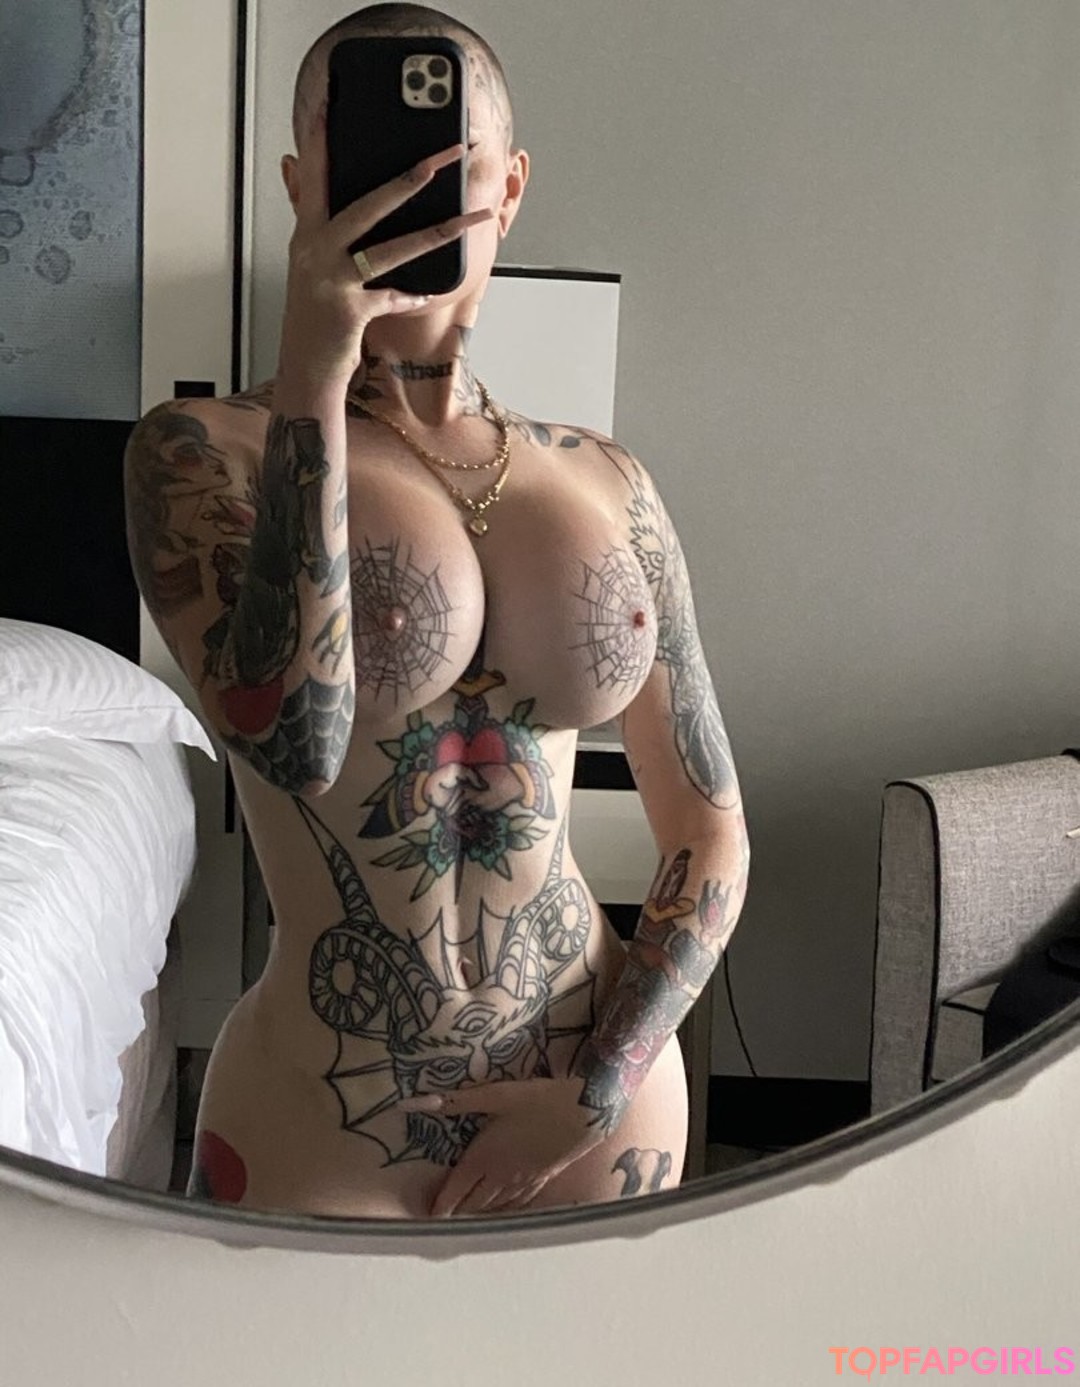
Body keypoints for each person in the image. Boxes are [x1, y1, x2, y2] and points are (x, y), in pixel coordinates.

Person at [123, 2, 750, 1219]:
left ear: (509, 188)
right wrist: (315, 373)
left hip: (596, 1107)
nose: (409, 188)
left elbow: (709, 825)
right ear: (302, 187)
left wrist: (601, 1087)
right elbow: (298, 743)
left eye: (450, 160)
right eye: (366, 162)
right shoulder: (201, 454)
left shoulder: (610, 482)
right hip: (324, 1126)